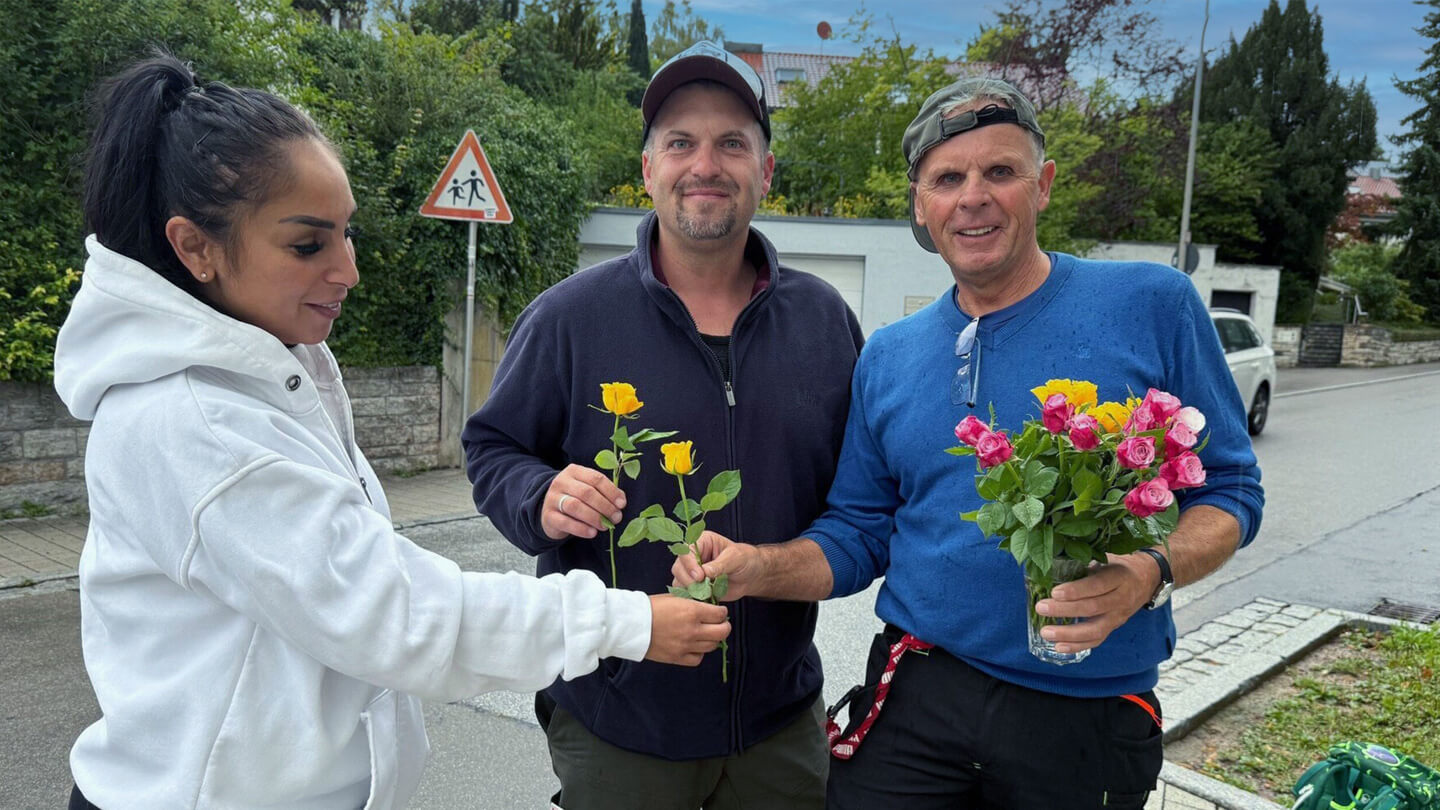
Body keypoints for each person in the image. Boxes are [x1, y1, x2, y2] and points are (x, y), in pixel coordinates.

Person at [53, 53, 730, 810]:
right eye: (308, 244)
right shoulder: (196, 423)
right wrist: (627, 619)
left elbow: (354, 578)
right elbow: (394, 610)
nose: (349, 270)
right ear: (195, 247)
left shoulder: (277, 369)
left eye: (347, 235)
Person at [675, 76, 1266, 809]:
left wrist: (1151, 570)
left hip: (1087, 710)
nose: (974, 196)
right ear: (921, 207)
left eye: (1000, 172)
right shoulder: (889, 356)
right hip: (919, 689)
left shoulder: (1152, 303)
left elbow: (1231, 490)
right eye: (948, 178)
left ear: (1043, 185)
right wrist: (755, 568)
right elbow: (860, 532)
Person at [462, 40, 863, 810]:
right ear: (647, 170)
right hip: (618, 726)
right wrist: (538, 495)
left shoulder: (825, 323)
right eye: (680, 142)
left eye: (732, 144)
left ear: (765, 172)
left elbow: (860, 502)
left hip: (780, 729)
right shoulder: (570, 318)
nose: (705, 164)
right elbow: (491, 447)